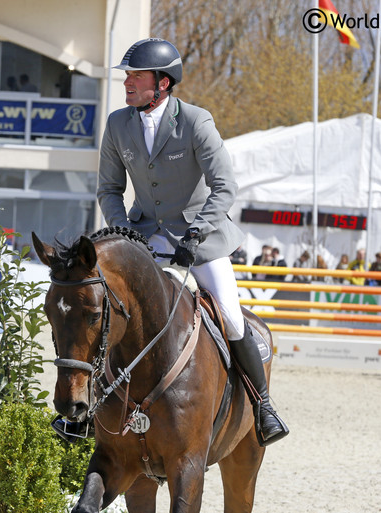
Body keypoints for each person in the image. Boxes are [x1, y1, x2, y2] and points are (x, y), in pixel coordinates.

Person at [96, 38, 287, 446]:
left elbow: (225, 186)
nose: (127, 82)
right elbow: (109, 189)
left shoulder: (196, 122)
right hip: (145, 236)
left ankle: (263, 405)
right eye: (127, 75)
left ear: (162, 84)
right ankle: (91, 408)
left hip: (202, 240)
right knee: (109, 309)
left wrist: (197, 231)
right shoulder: (117, 124)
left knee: (232, 318)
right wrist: (123, 233)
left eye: (136, 76)